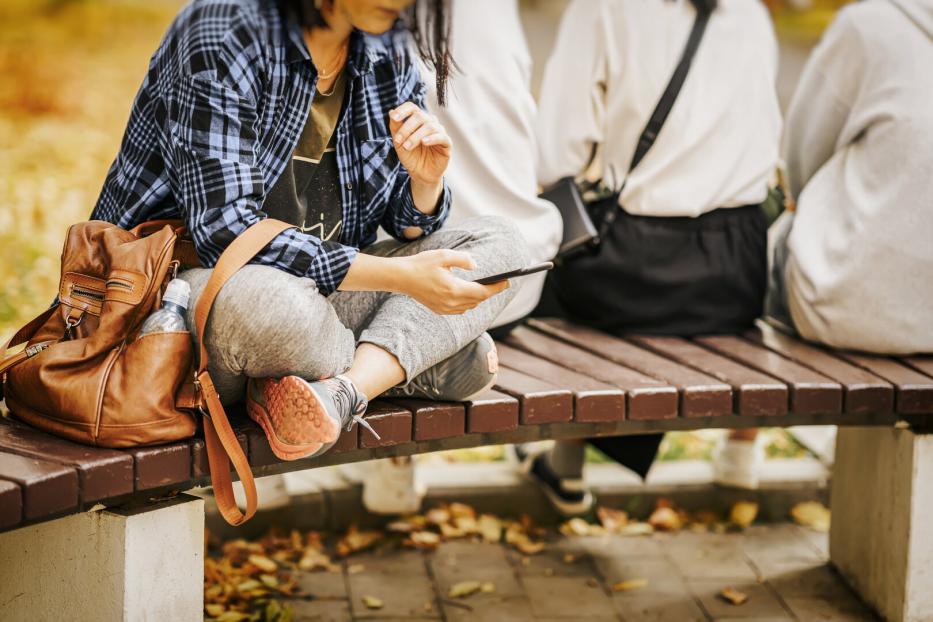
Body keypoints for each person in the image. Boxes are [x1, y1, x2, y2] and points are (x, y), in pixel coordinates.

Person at [91, 0, 528, 463]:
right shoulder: (223, 30)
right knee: (278, 309)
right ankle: (405, 358)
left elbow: (405, 223)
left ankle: (343, 389)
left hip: (323, 296)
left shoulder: (385, 48)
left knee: (506, 245)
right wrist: (402, 282)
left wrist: (426, 180)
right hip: (184, 298)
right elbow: (225, 233)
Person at [528, 0, 782, 514]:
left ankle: (567, 467)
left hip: (637, 274)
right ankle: (740, 456)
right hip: (738, 273)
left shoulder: (602, 9)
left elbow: (556, 157)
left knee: (552, 267)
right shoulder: (750, 11)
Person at [358, 0, 563, 514]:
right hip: (527, 273)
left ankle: (395, 465)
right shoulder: (497, 11)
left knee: (393, 251)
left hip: (444, 279)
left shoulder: (375, 22)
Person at [768, 0, 933, 355]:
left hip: (834, 307)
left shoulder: (869, 25)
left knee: (769, 243)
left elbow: (803, 156)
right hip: (927, 323)